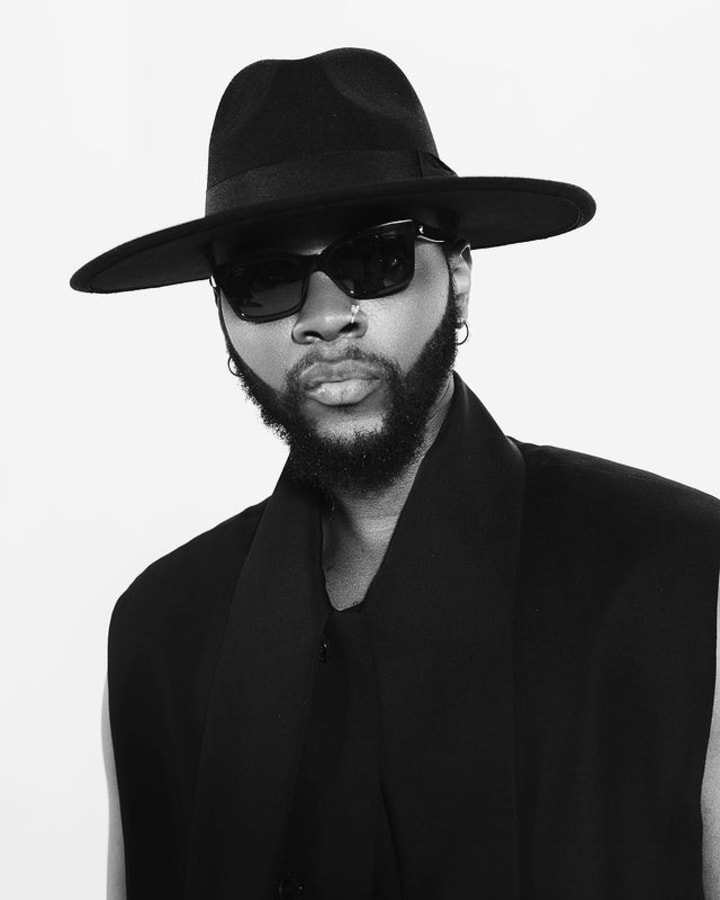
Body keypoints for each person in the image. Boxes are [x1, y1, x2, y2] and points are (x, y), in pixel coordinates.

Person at [71, 48, 720, 899]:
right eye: (265, 280)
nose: (325, 317)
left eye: (377, 259)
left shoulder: (680, 577)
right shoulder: (160, 635)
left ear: (458, 277)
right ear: (222, 316)